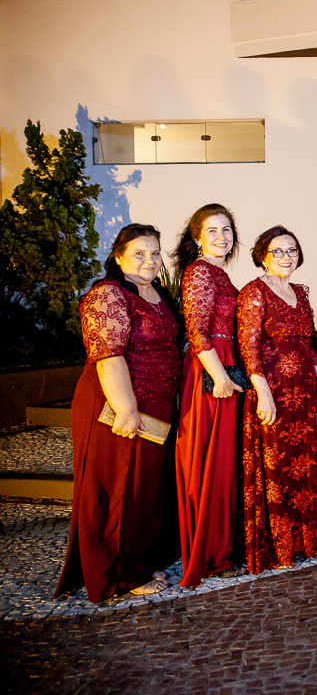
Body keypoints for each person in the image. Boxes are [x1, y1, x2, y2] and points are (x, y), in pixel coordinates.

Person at [56, 224, 181, 602]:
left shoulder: (157, 293)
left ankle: (138, 562)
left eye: (155, 253)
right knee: (117, 492)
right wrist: (126, 409)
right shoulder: (108, 294)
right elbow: (107, 354)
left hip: (155, 407)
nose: (150, 261)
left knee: (142, 493)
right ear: (118, 256)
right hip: (117, 405)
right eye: (139, 253)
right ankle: (116, 577)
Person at [238, 227, 317, 574]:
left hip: (304, 393)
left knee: (305, 466)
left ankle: (308, 541)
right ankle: (281, 546)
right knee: (277, 466)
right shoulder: (255, 291)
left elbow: (313, 347)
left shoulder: (300, 293)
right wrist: (263, 394)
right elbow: (249, 348)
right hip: (272, 392)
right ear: (263, 256)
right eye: (277, 251)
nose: (286, 257)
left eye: (292, 251)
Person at [173, 204, 244, 588]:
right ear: (197, 237)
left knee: (223, 461)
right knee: (211, 461)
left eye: (227, 229)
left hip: (225, 364)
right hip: (211, 369)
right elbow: (197, 332)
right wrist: (219, 377)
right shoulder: (199, 272)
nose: (221, 237)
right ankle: (211, 555)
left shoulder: (219, 273)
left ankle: (220, 546)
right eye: (212, 230)